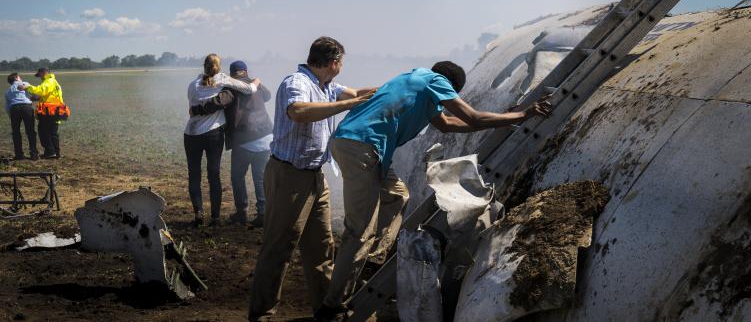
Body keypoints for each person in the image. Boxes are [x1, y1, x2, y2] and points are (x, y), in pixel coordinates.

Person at [316, 61, 552, 319]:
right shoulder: (435, 81)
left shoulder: (414, 82)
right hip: (363, 147)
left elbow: (447, 124)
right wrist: (523, 115)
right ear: (450, 85)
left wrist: (500, 120)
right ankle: (332, 304)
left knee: (398, 195)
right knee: (359, 231)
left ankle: (374, 256)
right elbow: (471, 117)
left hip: (359, 145)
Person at [249, 37, 375, 321]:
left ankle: (326, 309)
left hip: (315, 176)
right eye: (341, 62)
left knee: (322, 247)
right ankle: (261, 315)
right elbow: (299, 112)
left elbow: (356, 93)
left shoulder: (327, 86)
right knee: (279, 248)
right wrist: (350, 104)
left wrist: (390, 89)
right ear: (333, 63)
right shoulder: (297, 82)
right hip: (289, 176)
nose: (342, 67)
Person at [190, 60, 273, 227]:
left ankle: (242, 212)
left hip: (244, 139)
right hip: (266, 136)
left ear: (232, 74)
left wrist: (196, 110)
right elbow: (268, 96)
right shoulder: (257, 85)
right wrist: (257, 81)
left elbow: (217, 103)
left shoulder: (232, 88)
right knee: (260, 177)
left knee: (237, 176)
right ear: (246, 71)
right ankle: (263, 213)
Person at [23, 68, 69, 159]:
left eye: (39, 75)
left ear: (44, 72)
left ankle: (50, 152)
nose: (39, 77)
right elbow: (49, 96)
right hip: (55, 111)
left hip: (49, 112)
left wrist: (28, 86)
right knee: (52, 133)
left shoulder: (49, 81)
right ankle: (56, 153)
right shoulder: (54, 82)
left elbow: (41, 90)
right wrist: (38, 99)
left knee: (44, 132)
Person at [5, 73, 38, 160]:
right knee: (30, 131)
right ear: (16, 78)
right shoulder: (23, 83)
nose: (20, 78)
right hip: (26, 107)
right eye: (19, 76)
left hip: (14, 109)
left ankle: (19, 154)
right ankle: (33, 154)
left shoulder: (8, 91)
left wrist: (11, 116)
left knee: (16, 132)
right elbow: (30, 87)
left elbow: (7, 107)